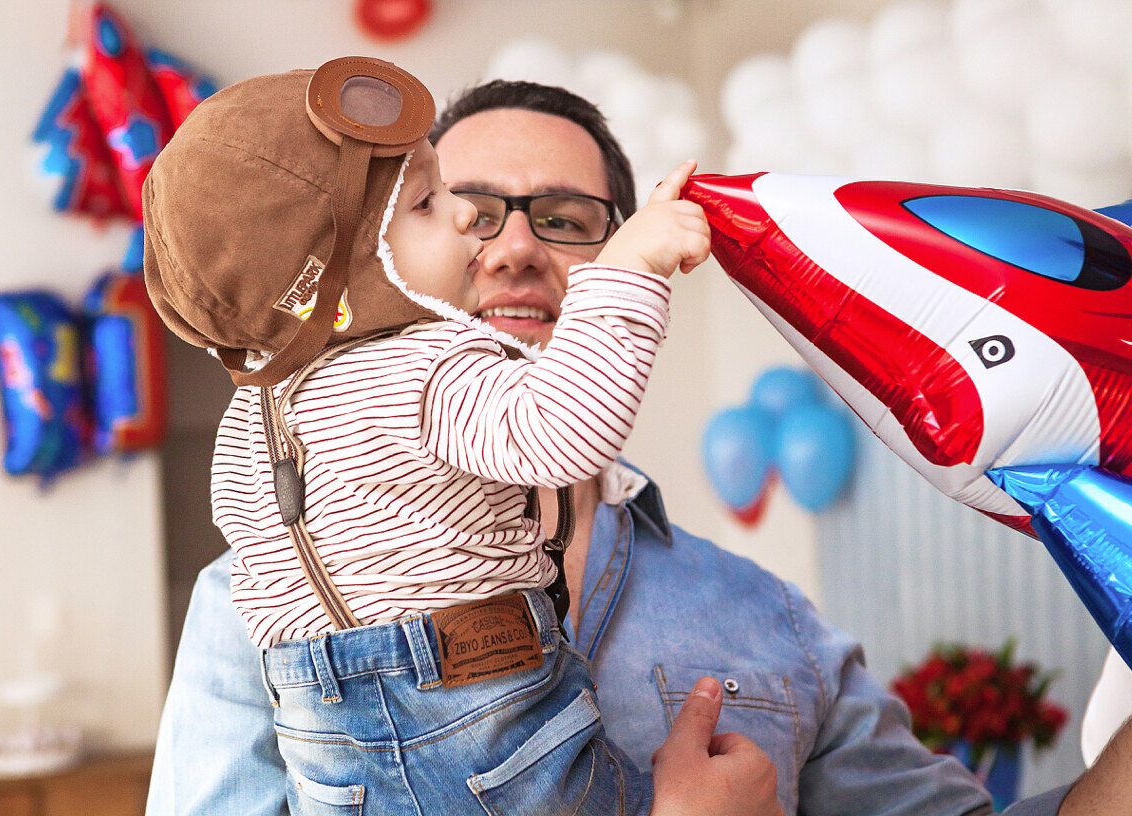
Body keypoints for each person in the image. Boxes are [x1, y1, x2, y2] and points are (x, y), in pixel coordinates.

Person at [146, 76, 1132, 816]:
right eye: (460, 208)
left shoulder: (769, 624)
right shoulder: (251, 612)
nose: (512, 248)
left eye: (568, 221)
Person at [142, 55, 741, 816]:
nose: (473, 224)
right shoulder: (424, 366)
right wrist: (627, 270)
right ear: (338, 272)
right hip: (472, 709)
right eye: (428, 202)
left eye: (564, 220)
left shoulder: (248, 425)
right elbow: (562, 430)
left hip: (327, 751)